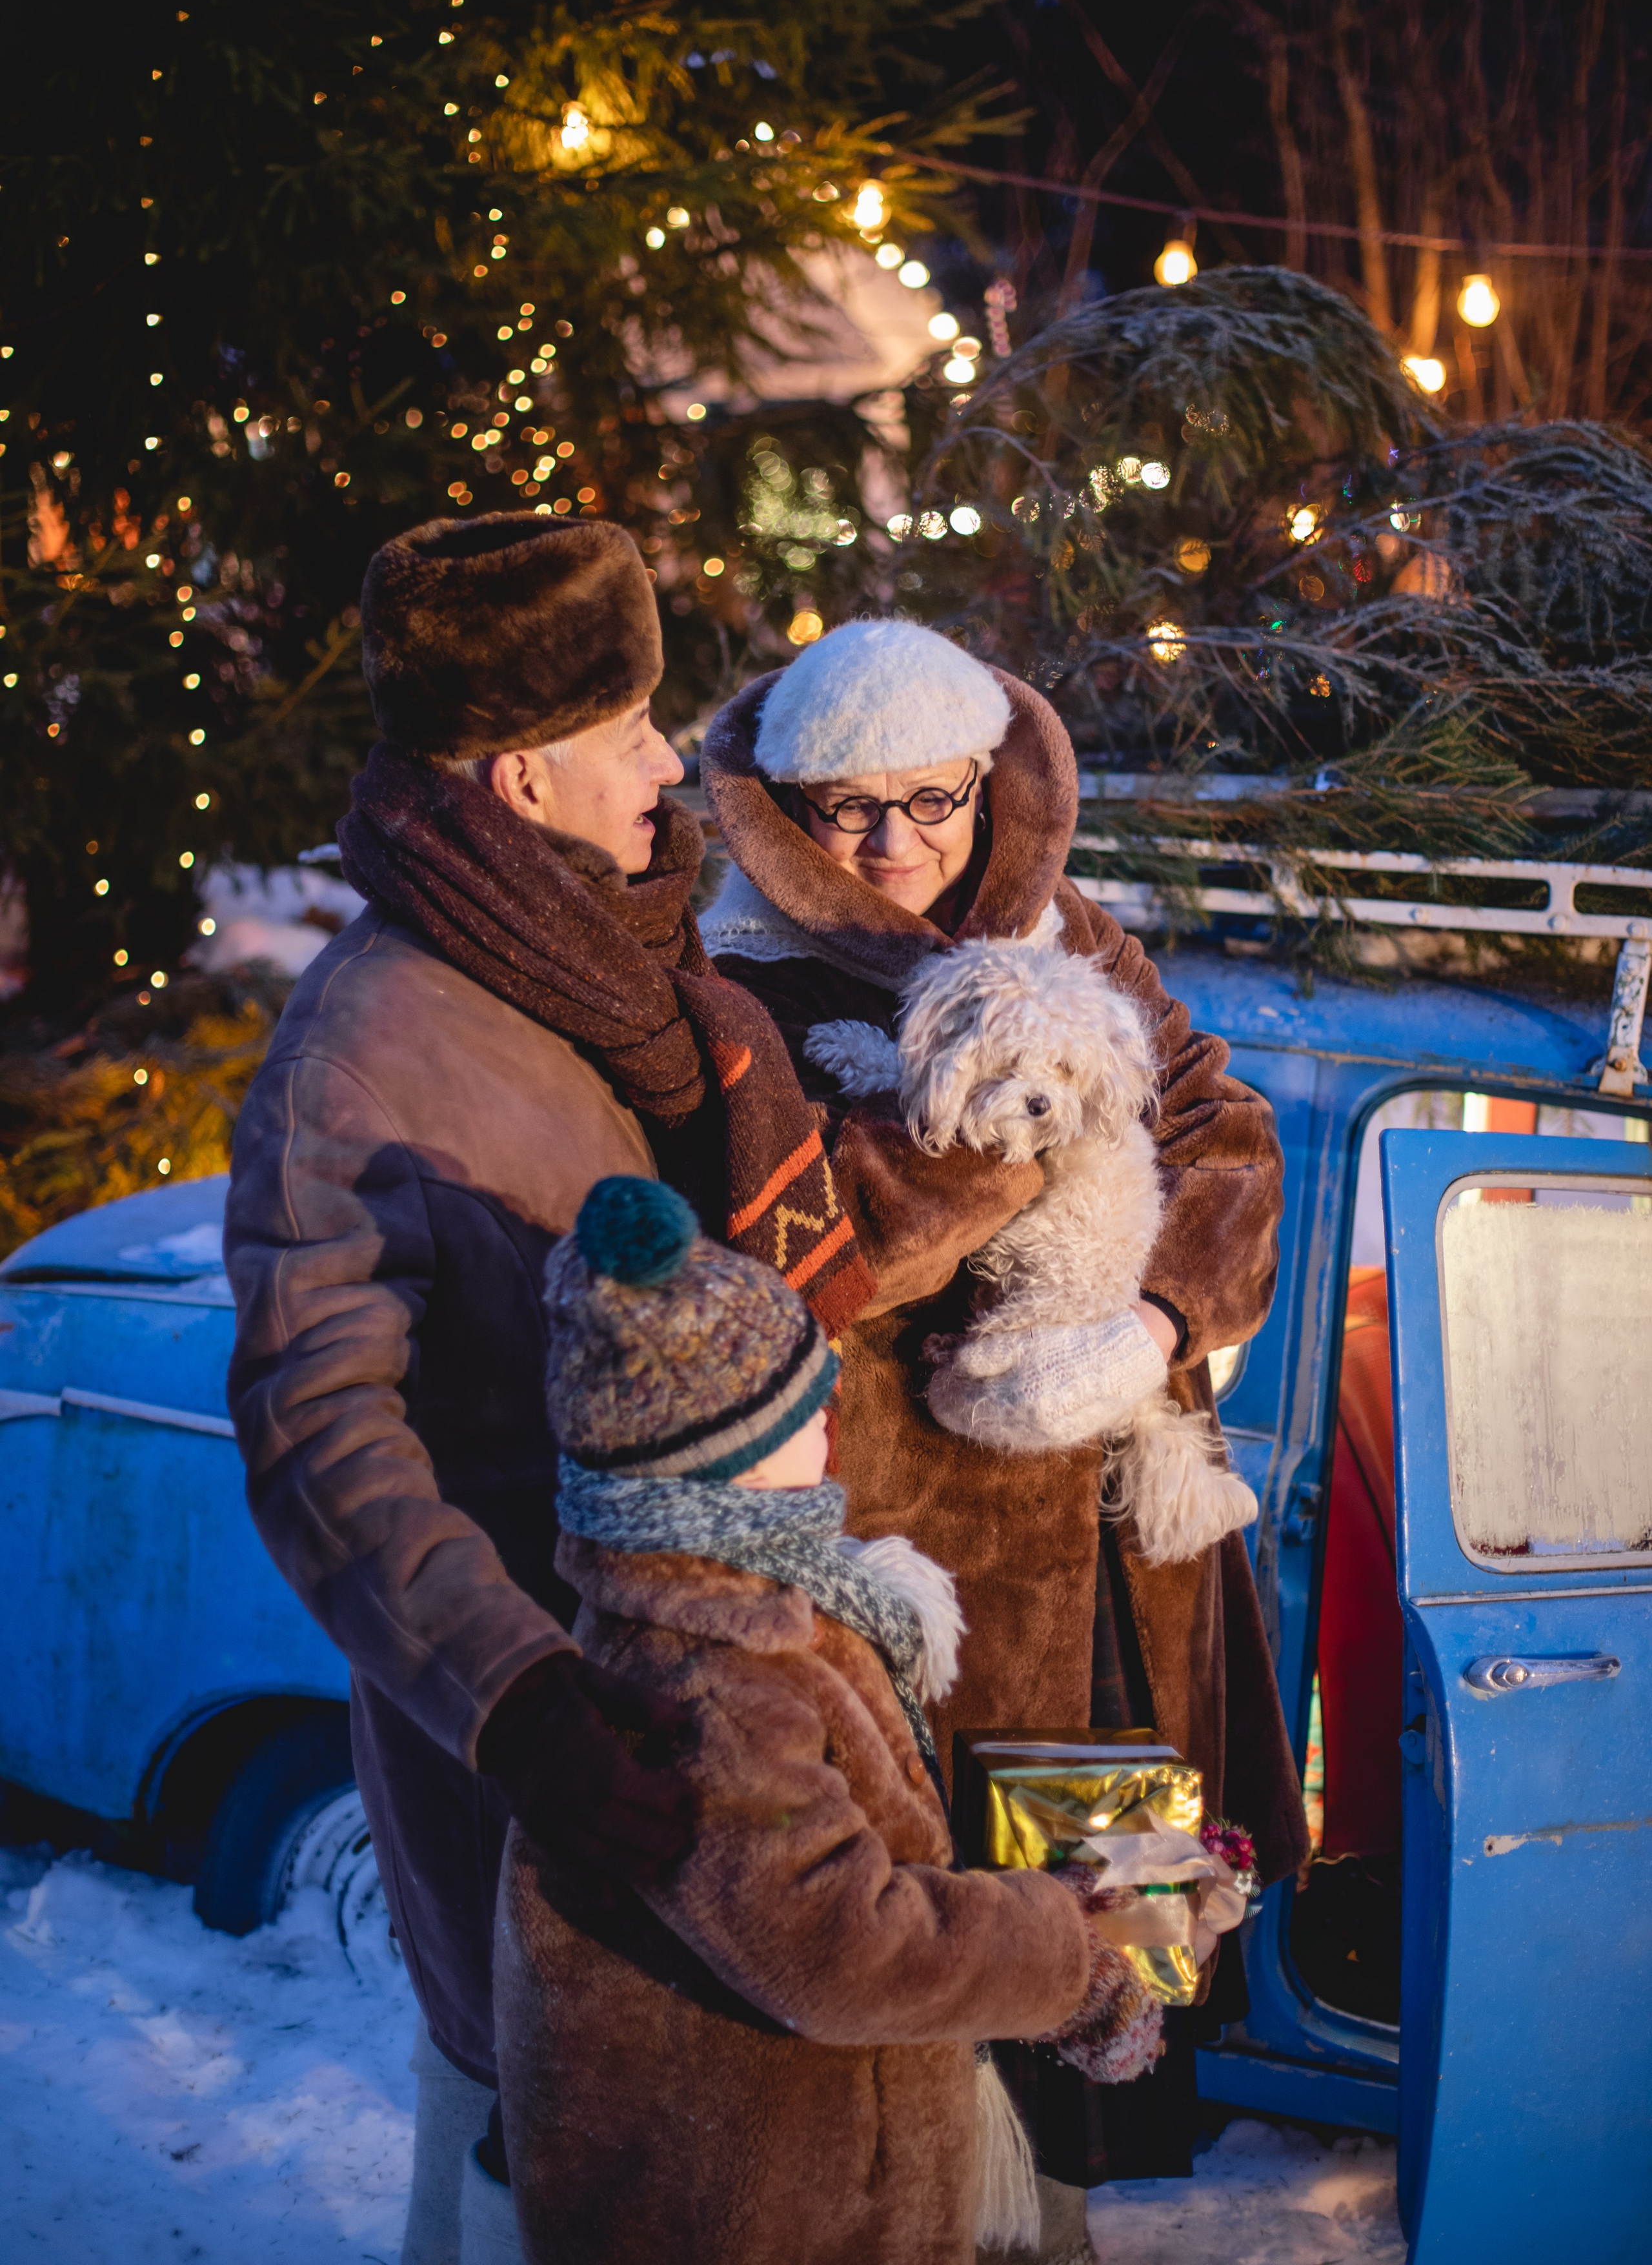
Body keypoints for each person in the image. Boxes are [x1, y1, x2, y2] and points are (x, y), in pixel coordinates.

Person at [223, 521, 1025, 2262]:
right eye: (638, 727)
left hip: (771, 1730)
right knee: (554, 2189)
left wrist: (997, 1161)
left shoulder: (652, 982)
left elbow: (767, 1274)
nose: (674, 760)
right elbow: (317, 1442)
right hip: (573, 1780)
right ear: (526, 774)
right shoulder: (364, 1053)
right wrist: (522, 1710)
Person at [698, 618, 1308, 2253]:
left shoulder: (1078, 930)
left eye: (932, 798)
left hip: (1117, 1546)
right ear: (785, 808)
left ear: (986, 783)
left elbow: (1221, 1129)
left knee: (1115, 1943)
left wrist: (1163, 1319)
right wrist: (1019, 1120)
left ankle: (1068, 2216)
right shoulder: (735, 978)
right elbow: (809, 1253)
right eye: (845, 810)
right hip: (918, 1552)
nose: (895, 844)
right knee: (935, 1959)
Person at [496, 1173, 1237, 2265]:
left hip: (809, 2174)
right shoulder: (708, 1685)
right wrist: (1069, 1951)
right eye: (805, 1410)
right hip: (762, 2210)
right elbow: (839, 1948)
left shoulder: (756, 1603)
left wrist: (1094, 1887)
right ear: (728, 1457)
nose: (829, 1422)